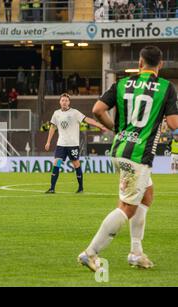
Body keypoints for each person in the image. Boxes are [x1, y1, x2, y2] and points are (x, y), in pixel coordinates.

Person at [78, 46, 178, 271]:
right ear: (160, 65)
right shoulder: (166, 87)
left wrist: (116, 129)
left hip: (120, 150)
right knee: (127, 207)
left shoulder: (122, 83)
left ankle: (136, 251)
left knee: (147, 195)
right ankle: (90, 252)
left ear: (140, 63)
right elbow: (173, 124)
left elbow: (97, 109)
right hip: (138, 156)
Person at [44, 93, 108, 193]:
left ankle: (80, 187)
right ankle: (52, 188)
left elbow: (87, 119)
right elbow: (52, 127)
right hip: (61, 144)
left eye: (66, 100)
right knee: (57, 163)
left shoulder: (75, 113)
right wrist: (48, 142)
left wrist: (99, 125)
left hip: (73, 145)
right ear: (59, 102)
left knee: (76, 164)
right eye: (62, 100)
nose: (64, 102)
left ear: (69, 102)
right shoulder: (56, 113)